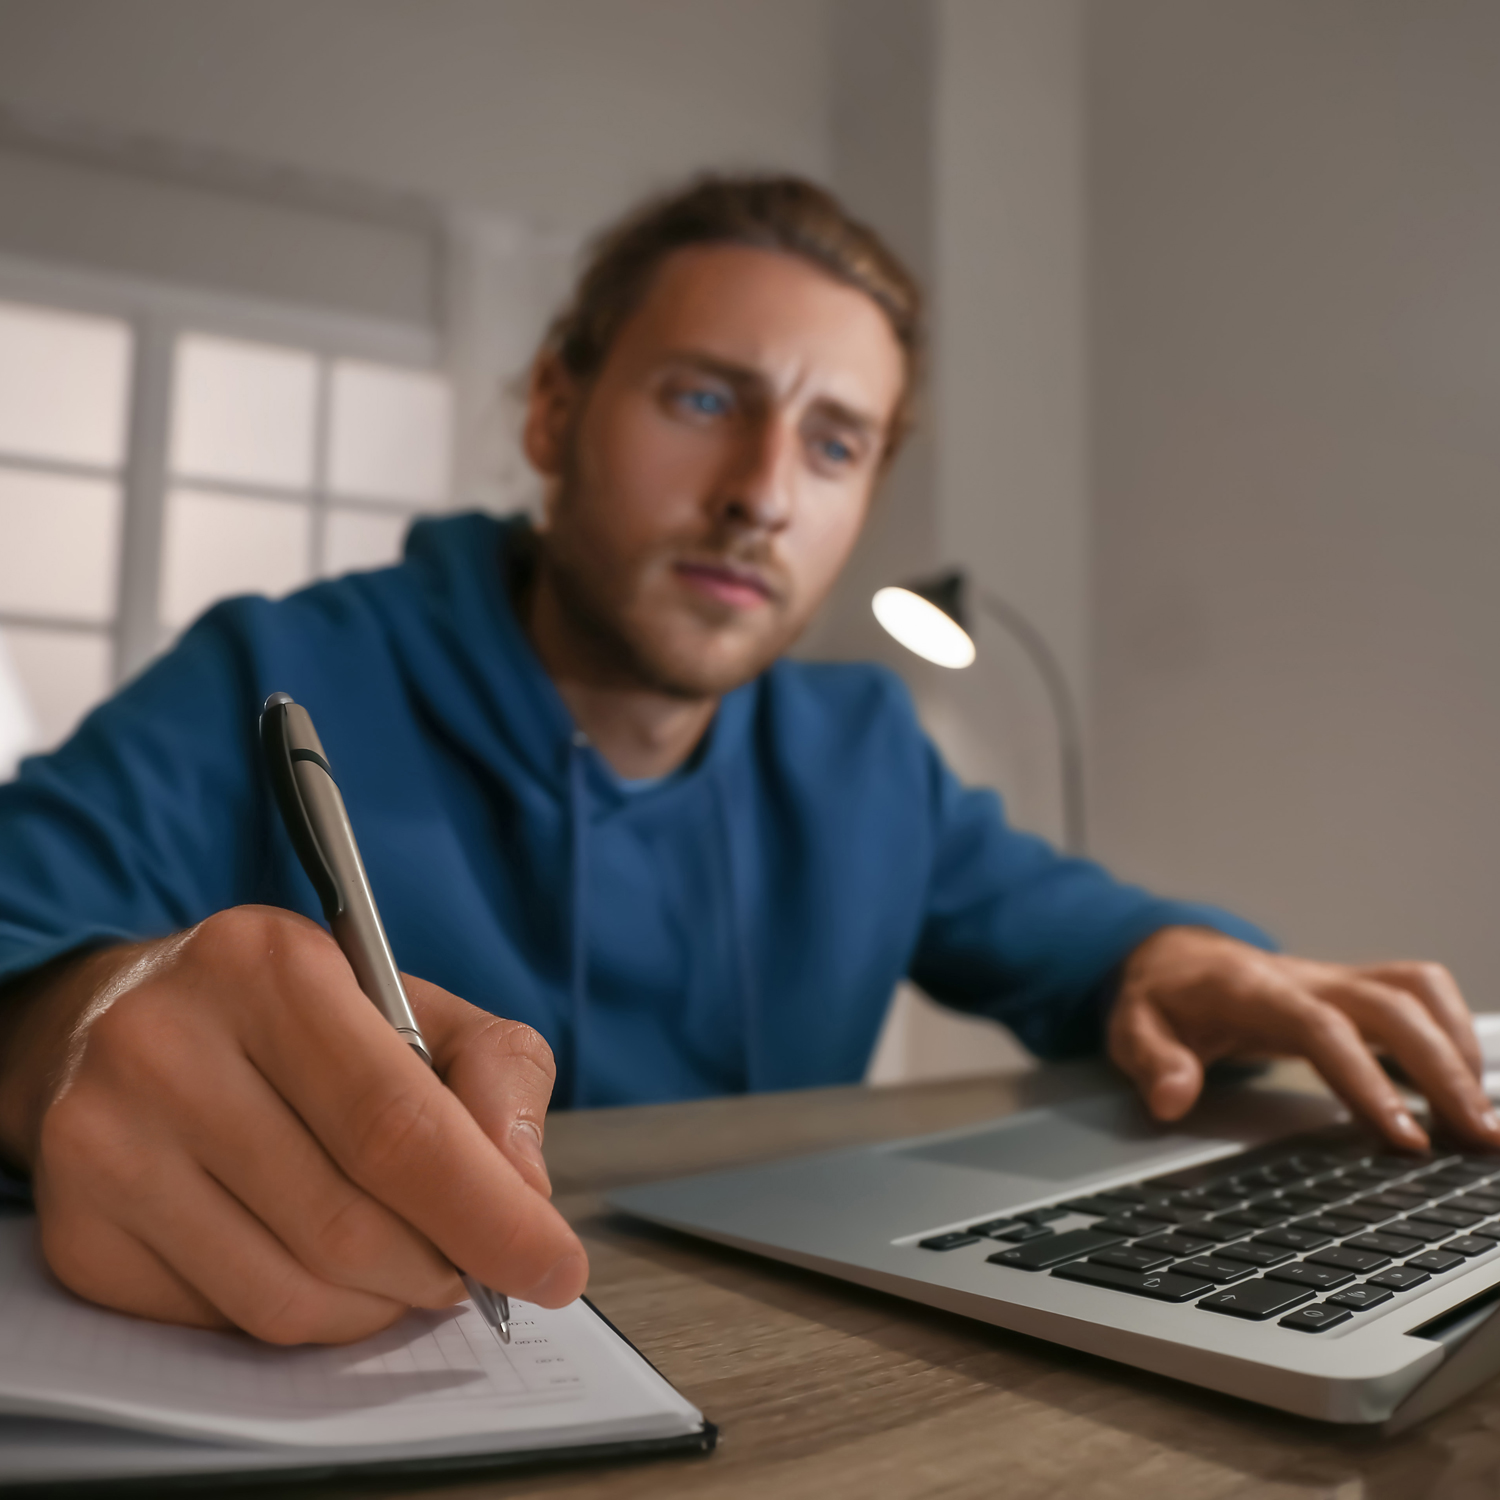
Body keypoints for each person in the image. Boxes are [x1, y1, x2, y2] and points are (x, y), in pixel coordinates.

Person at [0, 176, 1493, 1348]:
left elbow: (1075, 930)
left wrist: (1177, 960)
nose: (762, 494)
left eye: (835, 445)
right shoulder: (275, 675)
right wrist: (73, 1033)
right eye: (705, 399)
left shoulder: (865, 750)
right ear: (554, 409)